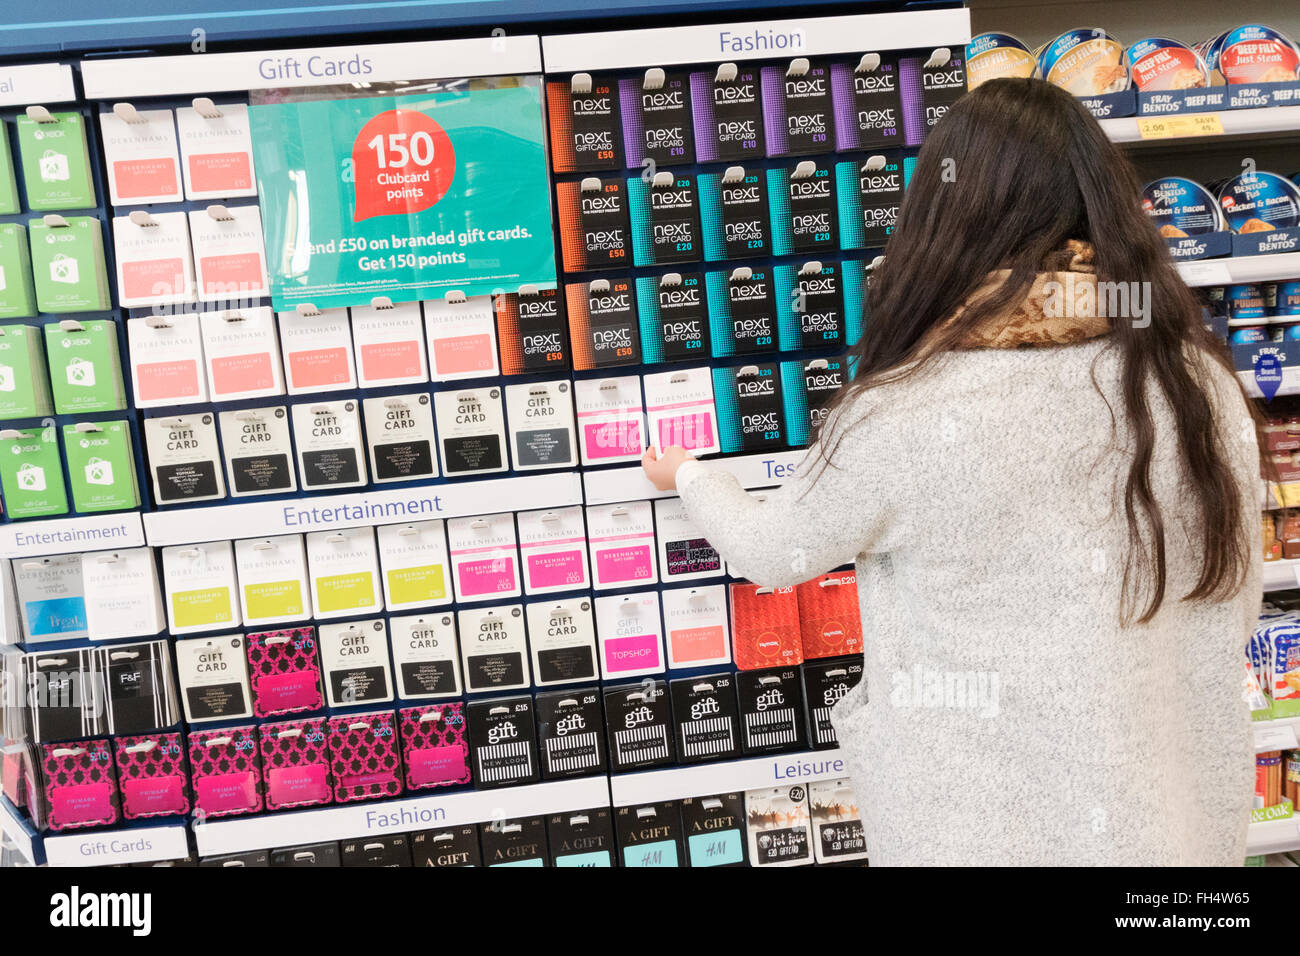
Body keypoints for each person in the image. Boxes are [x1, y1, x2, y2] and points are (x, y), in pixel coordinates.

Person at [642, 77, 1259, 866]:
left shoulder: (902, 410)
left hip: (979, 831)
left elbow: (774, 552)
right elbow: (1228, 603)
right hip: (1171, 836)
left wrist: (692, 474)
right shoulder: (1196, 384)